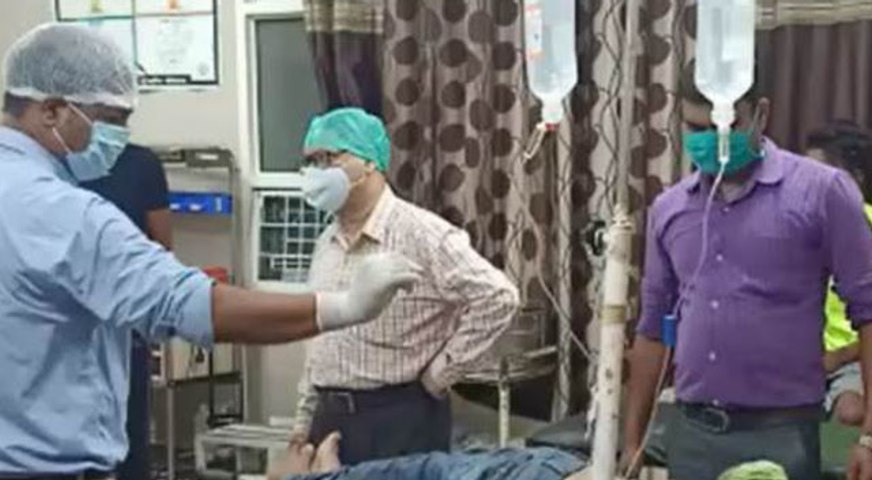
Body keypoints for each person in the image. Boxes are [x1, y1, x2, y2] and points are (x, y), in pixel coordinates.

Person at [0, 23, 420, 477]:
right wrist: (345, 307)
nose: (120, 136)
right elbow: (190, 304)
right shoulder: (62, 213)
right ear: (52, 110)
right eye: (112, 119)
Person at [623, 61, 872, 480]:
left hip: (781, 433)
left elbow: (869, 311)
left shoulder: (821, 193)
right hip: (692, 432)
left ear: (762, 113)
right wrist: (632, 441)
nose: (712, 141)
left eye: (724, 126)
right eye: (696, 129)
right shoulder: (670, 210)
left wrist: (869, 437)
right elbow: (651, 329)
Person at [292, 107, 519, 464]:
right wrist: (303, 422)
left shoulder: (422, 233)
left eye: (329, 157)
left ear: (370, 161)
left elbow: (498, 297)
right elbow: (319, 341)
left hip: (397, 419)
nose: (318, 171)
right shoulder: (327, 242)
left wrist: (438, 376)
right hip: (329, 417)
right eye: (311, 161)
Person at [78, 113, 173, 480]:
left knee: (130, 439)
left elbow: (161, 251)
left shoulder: (140, 165)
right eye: (107, 115)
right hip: (65, 326)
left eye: (123, 117)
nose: (114, 126)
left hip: (124, 324)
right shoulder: (53, 168)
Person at [806, 121, 872, 427]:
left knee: (850, 411)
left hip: (854, 358)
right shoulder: (795, 225)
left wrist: (840, 357)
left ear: (855, 178)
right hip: (801, 358)